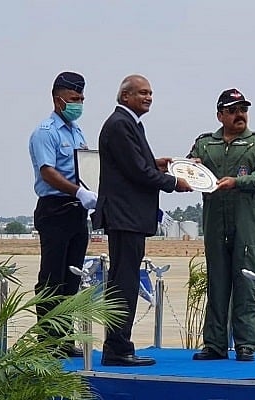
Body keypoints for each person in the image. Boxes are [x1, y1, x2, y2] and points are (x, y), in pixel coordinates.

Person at [93, 74, 193, 367]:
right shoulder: (120, 124)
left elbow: (137, 165)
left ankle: (119, 345)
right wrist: (174, 182)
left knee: (125, 280)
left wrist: (159, 164)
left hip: (130, 217)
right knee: (123, 282)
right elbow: (137, 171)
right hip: (125, 216)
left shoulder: (130, 124)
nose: (148, 98)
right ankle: (117, 348)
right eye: (142, 93)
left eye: (150, 93)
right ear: (125, 96)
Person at [188, 88, 255, 361]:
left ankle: (246, 344)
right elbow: (190, 168)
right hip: (215, 222)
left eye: (243, 109)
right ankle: (214, 344)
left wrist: (237, 182)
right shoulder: (205, 144)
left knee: (247, 282)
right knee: (216, 282)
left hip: (247, 223)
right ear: (220, 115)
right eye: (233, 110)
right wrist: (190, 167)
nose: (240, 115)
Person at [28, 71, 97, 357]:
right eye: (74, 99)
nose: (78, 104)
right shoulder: (46, 132)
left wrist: (88, 193)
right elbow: (48, 172)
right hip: (55, 209)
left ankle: (65, 338)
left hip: (77, 212)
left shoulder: (76, 131)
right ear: (58, 100)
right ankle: (47, 341)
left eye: (81, 99)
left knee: (71, 279)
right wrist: (78, 191)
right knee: (51, 278)